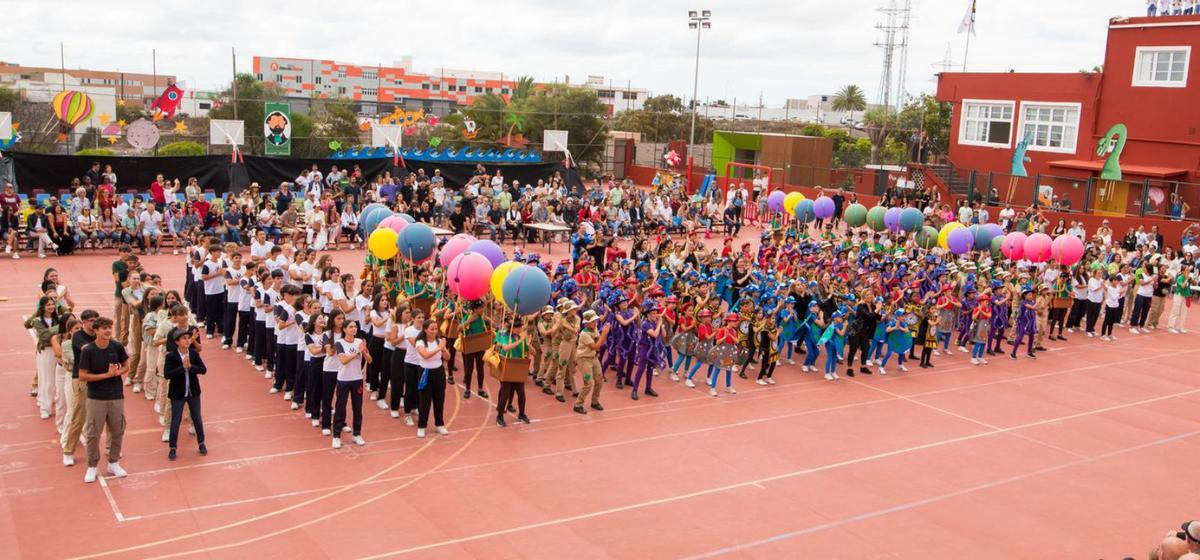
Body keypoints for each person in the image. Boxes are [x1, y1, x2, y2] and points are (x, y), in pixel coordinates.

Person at [76, 317, 129, 483]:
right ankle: (92, 465)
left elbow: (127, 365)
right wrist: (105, 375)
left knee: (117, 429)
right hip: (96, 397)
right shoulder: (88, 350)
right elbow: (83, 375)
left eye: (109, 327)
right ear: (96, 330)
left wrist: (118, 373)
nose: (107, 331)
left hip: (116, 395)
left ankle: (113, 462)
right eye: (104, 328)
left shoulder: (117, 346)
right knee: (93, 433)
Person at [163, 326, 207, 460]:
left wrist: (191, 367)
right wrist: (182, 368)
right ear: (177, 341)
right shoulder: (171, 356)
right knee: (175, 420)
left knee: (197, 418)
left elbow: (203, 369)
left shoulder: (193, 354)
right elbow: (167, 374)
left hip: (193, 392)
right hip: (178, 393)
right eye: (184, 339)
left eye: (188, 338)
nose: (187, 341)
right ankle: (173, 447)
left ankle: (201, 443)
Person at [332, 320, 370, 448]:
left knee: (358, 408)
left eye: (355, 327)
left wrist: (364, 352)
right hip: (343, 379)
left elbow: (370, 360)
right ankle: (336, 436)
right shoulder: (339, 343)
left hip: (357, 379)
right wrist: (358, 352)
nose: (354, 329)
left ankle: (357, 434)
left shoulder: (360, 342)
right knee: (340, 408)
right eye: (351, 327)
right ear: (344, 329)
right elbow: (343, 360)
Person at [412, 319, 450, 438]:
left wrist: (443, 349)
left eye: (436, 329)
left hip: (438, 372)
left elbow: (447, 357)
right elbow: (425, 355)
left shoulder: (439, 341)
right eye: (431, 329)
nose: (434, 331)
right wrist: (439, 348)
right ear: (425, 330)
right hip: (425, 372)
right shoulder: (420, 342)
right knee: (425, 401)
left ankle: (440, 424)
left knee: (439, 399)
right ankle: (422, 426)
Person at [493, 318, 531, 427]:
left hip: (518, 367)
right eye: (517, 327)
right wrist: (520, 340)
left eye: (520, 327)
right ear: (512, 328)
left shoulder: (521, 337)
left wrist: (528, 344)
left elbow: (531, 352)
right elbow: (506, 348)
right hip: (507, 366)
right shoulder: (506, 337)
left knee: (521, 394)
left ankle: (522, 414)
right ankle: (499, 416)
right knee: (505, 394)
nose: (519, 329)